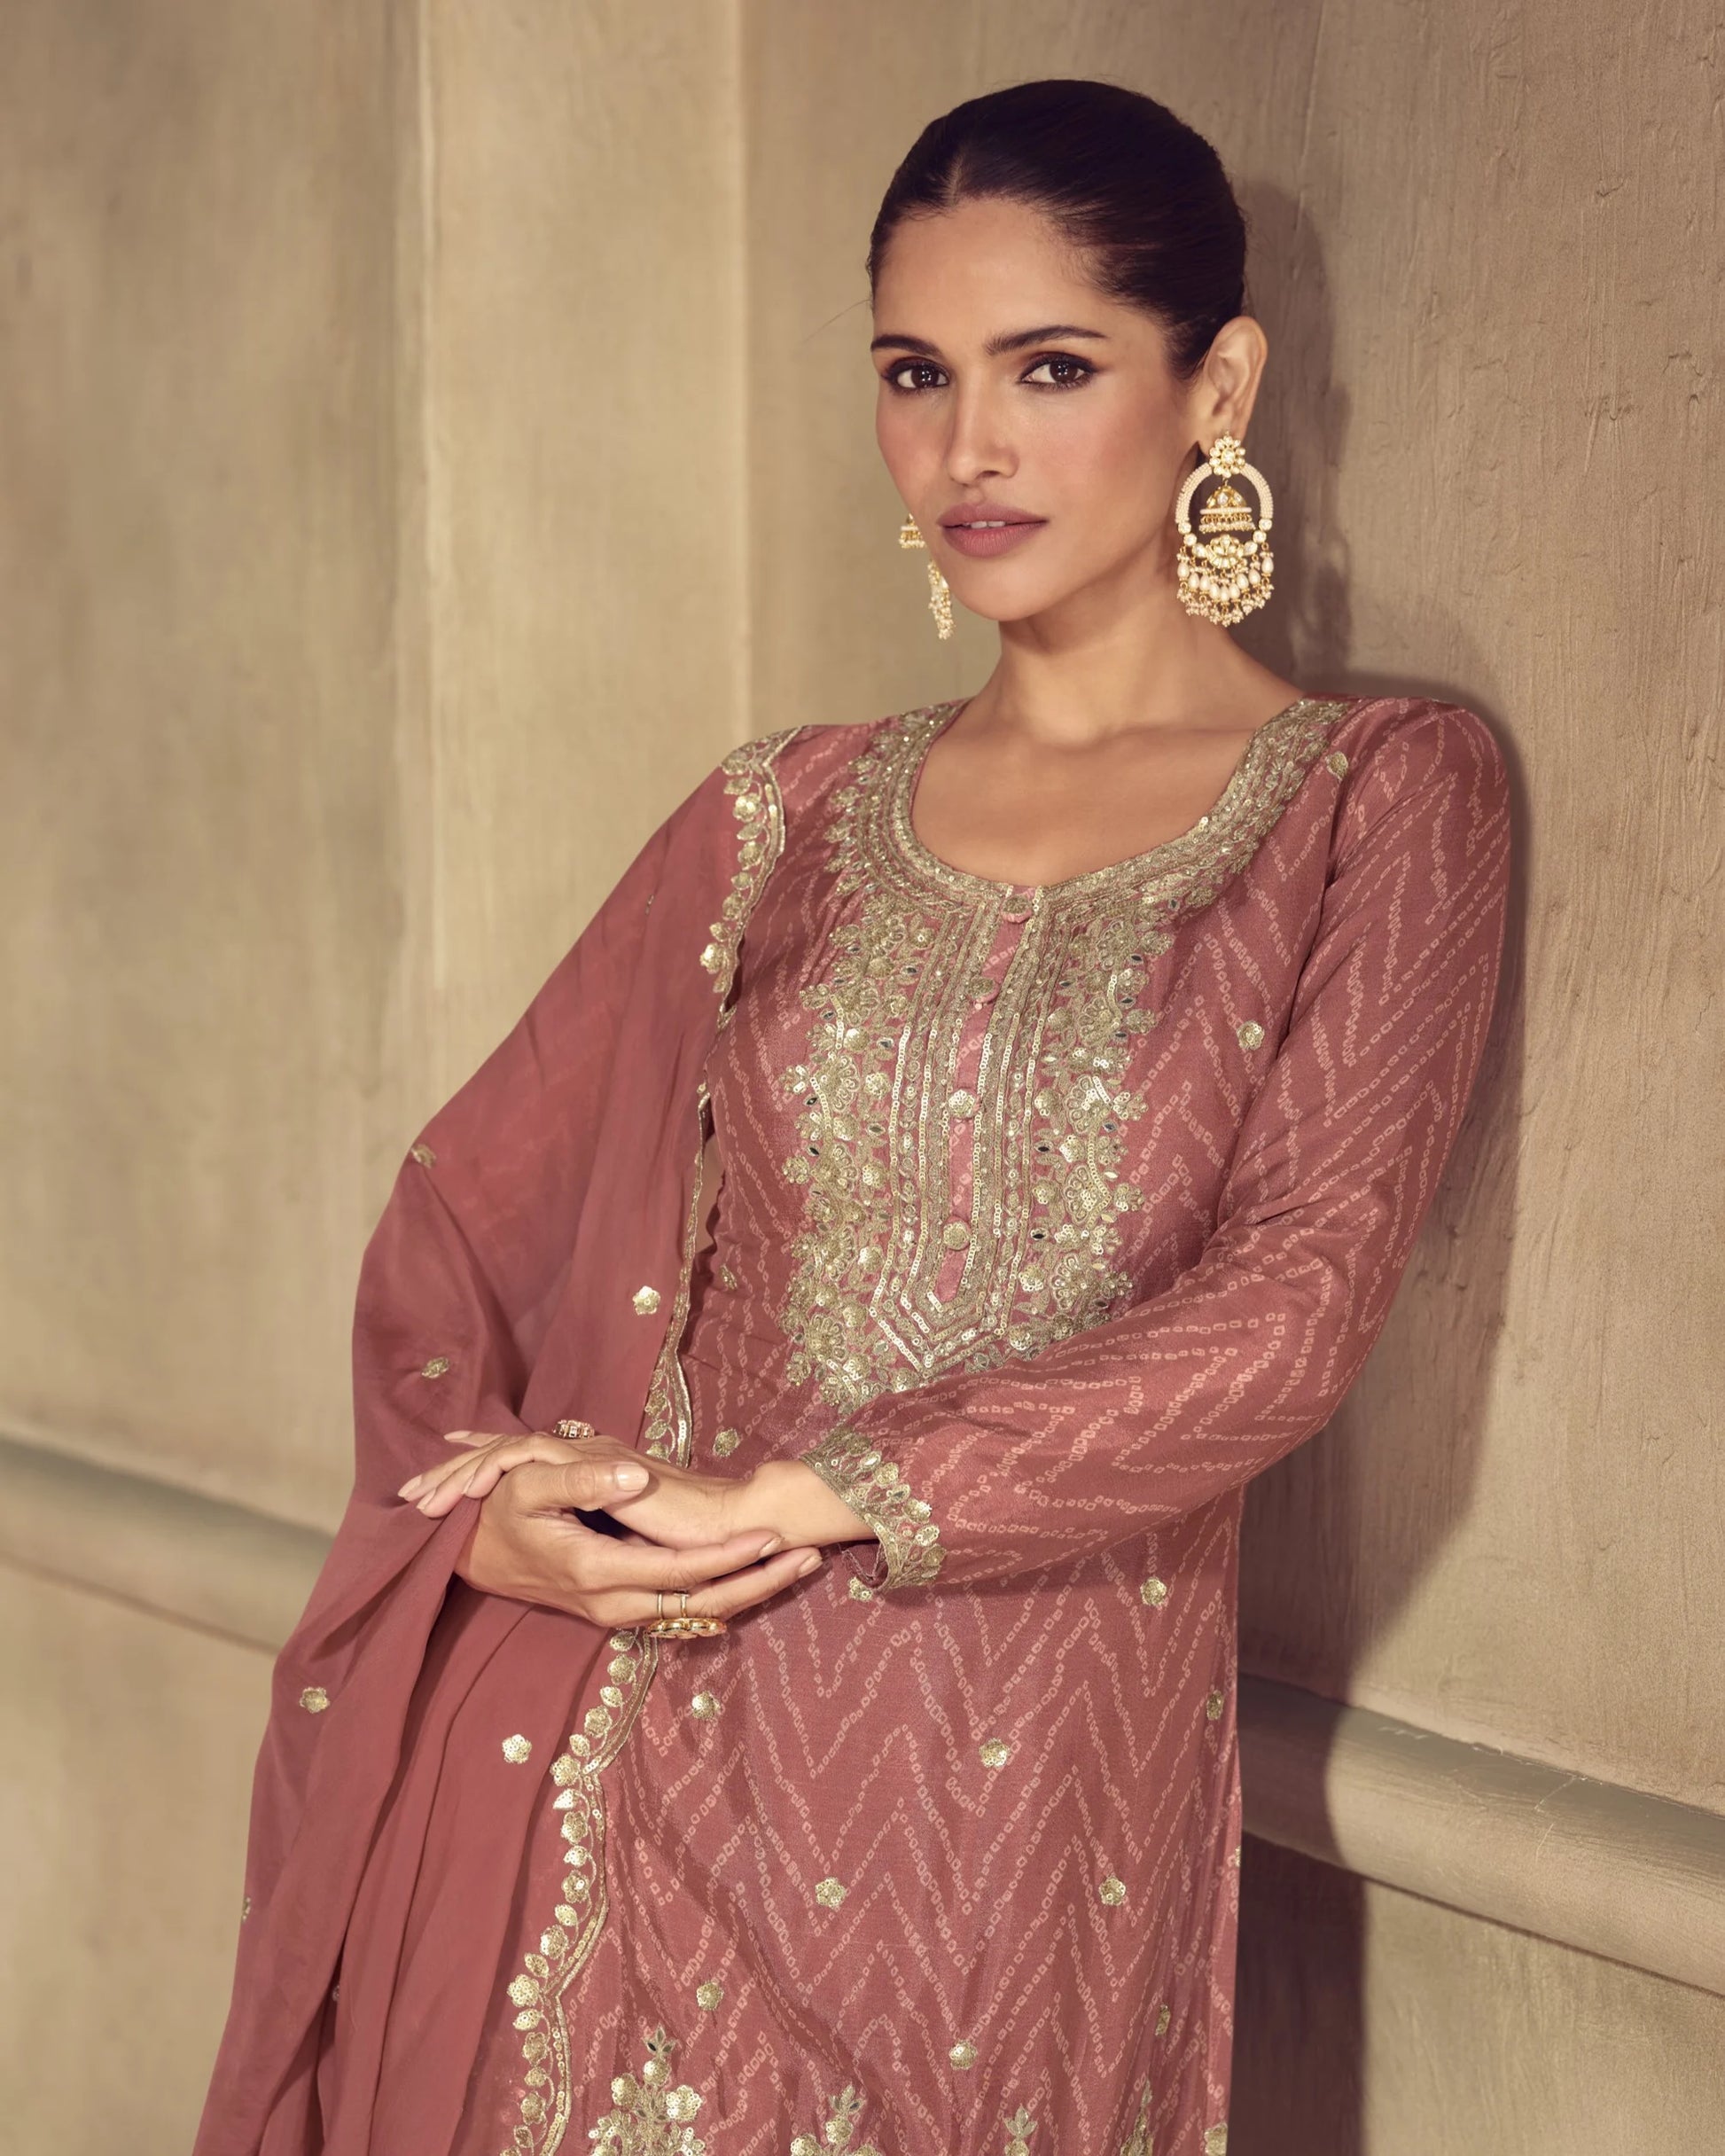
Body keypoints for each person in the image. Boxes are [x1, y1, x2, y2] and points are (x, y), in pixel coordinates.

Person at [196, 77, 1510, 2156]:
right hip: (640, 1768)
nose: (965, 448)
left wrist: (809, 1492)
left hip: (1021, 1834)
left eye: (1048, 368)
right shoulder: (775, 817)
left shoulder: (1378, 801)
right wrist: (501, 1531)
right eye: (915, 374)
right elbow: (469, 1238)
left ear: (1217, 383)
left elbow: (1291, 1310)